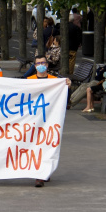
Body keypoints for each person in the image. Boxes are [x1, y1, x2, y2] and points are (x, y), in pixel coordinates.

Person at [27, 55, 71, 187]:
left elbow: (65, 99)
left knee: (46, 145)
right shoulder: (28, 80)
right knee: (33, 146)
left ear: (47, 65)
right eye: (38, 63)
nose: (41, 65)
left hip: (49, 120)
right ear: (35, 66)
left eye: (43, 63)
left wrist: (68, 87)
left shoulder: (55, 81)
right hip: (32, 120)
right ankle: (38, 173)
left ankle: (42, 173)